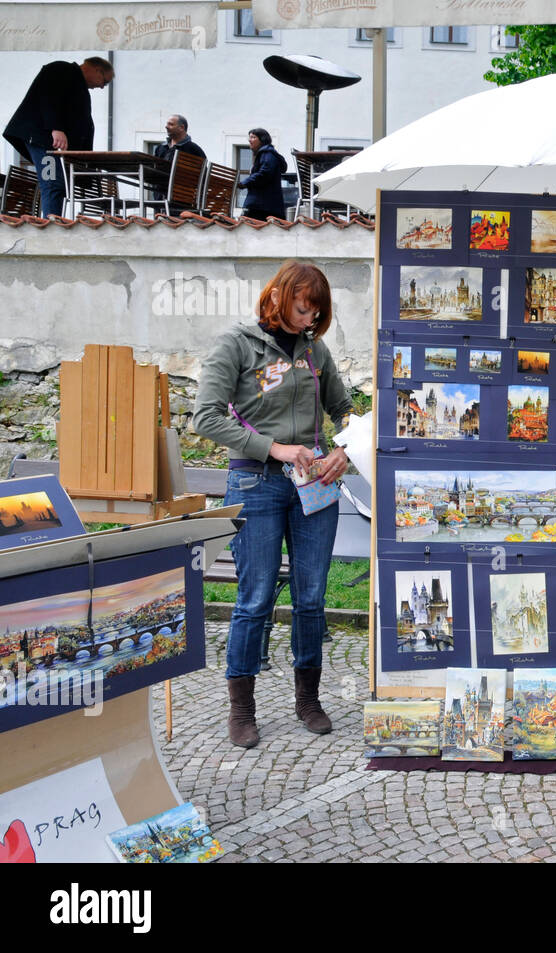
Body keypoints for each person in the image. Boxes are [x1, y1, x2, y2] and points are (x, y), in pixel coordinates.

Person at [191, 260, 352, 748]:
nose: (311, 318)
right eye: (306, 307)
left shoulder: (315, 351)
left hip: (314, 487)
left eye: (318, 311)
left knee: (311, 597)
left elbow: (343, 410)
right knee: (255, 598)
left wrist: (344, 450)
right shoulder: (235, 345)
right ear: (280, 297)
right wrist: (275, 448)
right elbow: (205, 417)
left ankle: (308, 701)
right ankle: (242, 709)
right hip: (256, 483)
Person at [3, 57, 114, 216]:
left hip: (51, 143)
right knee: (52, 183)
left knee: (57, 184)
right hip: (43, 140)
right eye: (105, 81)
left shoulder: (78, 85)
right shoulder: (61, 69)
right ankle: (51, 225)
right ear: (97, 70)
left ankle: (53, 221)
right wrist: (56, 128)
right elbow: (48, 97)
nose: (103, 87)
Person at [240, 127, 288, 221]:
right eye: (249, 137)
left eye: (253, 137)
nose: (250, 140)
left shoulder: (267, 154)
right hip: (266, 205)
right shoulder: (267, 154)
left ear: (262, 140)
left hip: (261, 206)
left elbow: (264, 173)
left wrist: (244, 182)